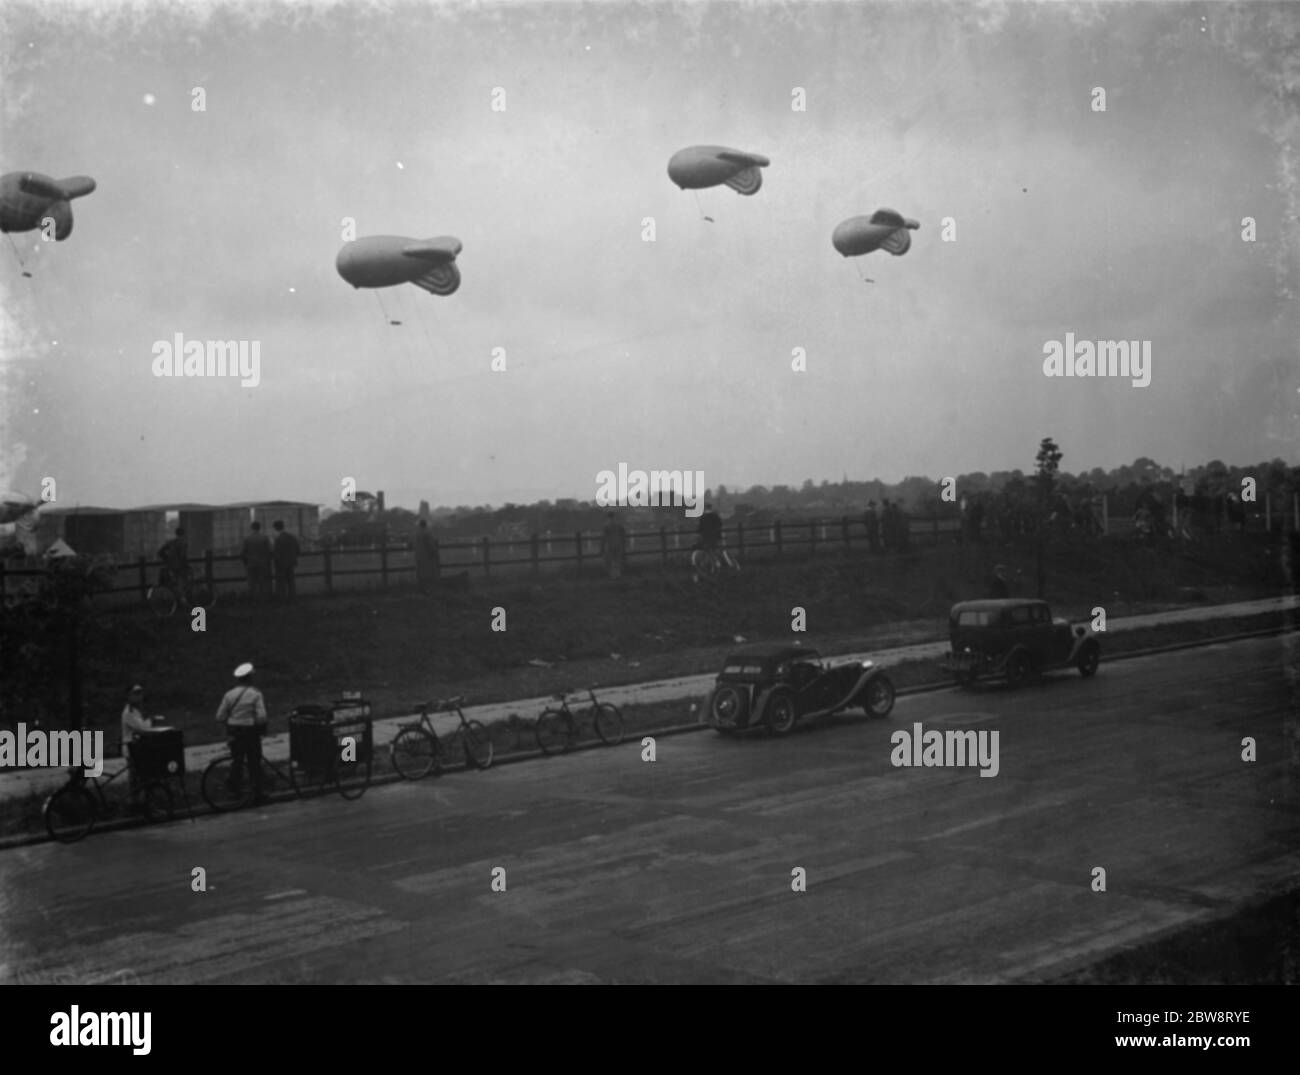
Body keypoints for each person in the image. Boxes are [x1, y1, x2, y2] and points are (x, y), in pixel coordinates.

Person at [216, 662, 269, 802]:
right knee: (254, 762)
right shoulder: (255, 694)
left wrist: (233, 720)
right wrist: (256, 723)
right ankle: (258, 792)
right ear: (250, 678)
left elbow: (220, 716)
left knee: (237, 761)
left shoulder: (229, 695)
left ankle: (234, 791)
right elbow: (262, 717)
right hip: (250, 732)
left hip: (235, 733)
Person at [121, 684, 168, 800]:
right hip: (131, 748)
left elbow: (141, 727)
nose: (138, 697)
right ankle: (133, 801)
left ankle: (138, 801)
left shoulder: (135, 711)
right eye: (135, 694)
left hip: (137, 747)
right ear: (128, 696)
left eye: (139, 694)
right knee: (135, 777)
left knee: (138, 777)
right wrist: (150, 721)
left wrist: (149, 721)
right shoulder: (129, 712)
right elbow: (141, 729)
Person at [240, 521, 273, 600]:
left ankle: (253, 599)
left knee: (252, 583)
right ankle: (263, 599)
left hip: (251, 564)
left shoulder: (247, 538)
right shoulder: (265, 538)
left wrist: (246, 562)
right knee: (262, 582)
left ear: (252, 528)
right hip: (262, 563)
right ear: (259, 527)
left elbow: (242, 552)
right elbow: (270, 551)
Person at [271, 520, 301, 601]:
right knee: (291, 581)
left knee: (281, 583)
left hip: (281, 564)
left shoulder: (278, 539)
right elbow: (298, 550)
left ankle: (283, 599)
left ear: (276, 528)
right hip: (291, 563)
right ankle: (293, 598)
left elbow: (276, 553)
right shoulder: (292, 537)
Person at [157, 527, 191, 591]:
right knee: (184, 583)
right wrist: (186, 565)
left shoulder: (171, 542)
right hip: (179, 567)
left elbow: (160, 552)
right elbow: (183, 556)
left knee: (172, 584)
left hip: (170, 566)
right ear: (183, 534)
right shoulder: (183, 543)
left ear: (176, 533)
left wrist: (167, 559)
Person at [413, 519, 440, 595]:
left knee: (420, 574)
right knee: (428, 574)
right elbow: (430, 546)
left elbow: (413, 545)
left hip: (418, 557)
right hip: (427, 557)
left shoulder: (417, 534)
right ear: (425, 525)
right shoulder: (427, 534)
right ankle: (429, 591)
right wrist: (435, 553)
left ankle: (420, 590)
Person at [601, 512, 627, 579]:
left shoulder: (606, 526)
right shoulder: (619, 525)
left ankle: (613, 575)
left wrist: (602, 547)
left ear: (608, 518)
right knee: (617, 559)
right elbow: (623, 535)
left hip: (610, 544)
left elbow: (604, 537)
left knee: (612, 560)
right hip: (618, 544)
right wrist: (623, 544)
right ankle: (618, 574)